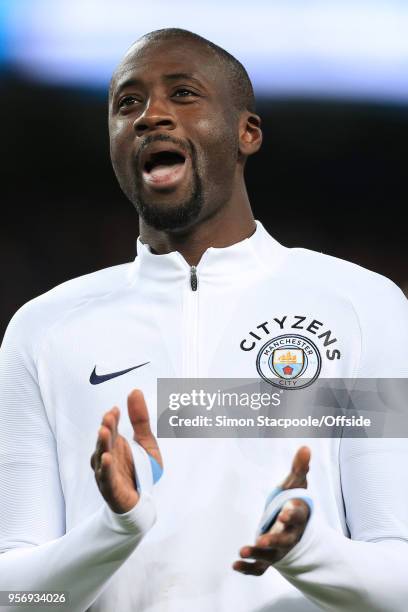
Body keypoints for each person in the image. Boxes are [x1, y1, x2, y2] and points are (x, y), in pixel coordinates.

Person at [0, 27, 407, 612]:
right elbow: (21, 596)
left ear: (247, 132)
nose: (150, 117)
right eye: (128, 103)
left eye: (183, 94)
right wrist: (115, 529)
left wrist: (306, 548)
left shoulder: (360, 307)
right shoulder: (44, 330)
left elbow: (401, 579)